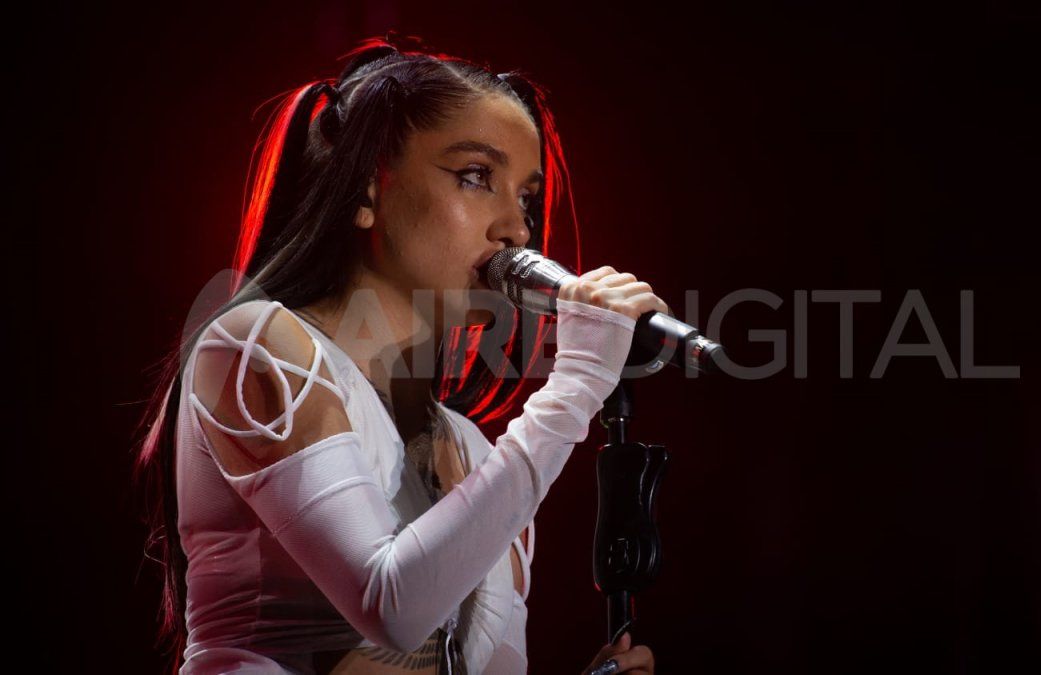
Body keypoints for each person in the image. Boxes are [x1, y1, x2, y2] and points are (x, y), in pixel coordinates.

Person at [133, 32, 659, 675]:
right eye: (476, 177)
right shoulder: (254, 345)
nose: (517, 229)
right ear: (365, 190)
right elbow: (390, 608)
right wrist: (576, 384)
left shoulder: (477, 451)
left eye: (524, 197)